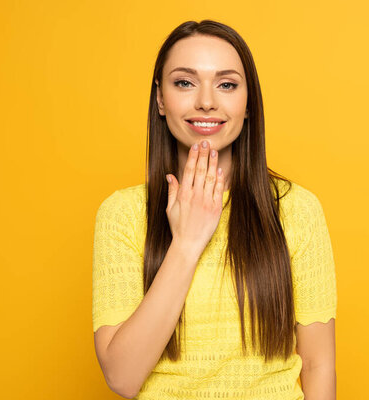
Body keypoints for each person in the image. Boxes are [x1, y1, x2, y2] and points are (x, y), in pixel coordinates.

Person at [92, 20, 337, 399]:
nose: (206, 101)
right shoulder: (123, 215)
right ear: (160, 99)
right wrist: (187, 244)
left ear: (248, 102)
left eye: (226, 84)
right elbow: (122, 377)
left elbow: (319, 365)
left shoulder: (295, 210)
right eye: (185, 82)